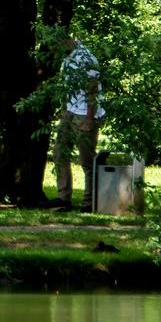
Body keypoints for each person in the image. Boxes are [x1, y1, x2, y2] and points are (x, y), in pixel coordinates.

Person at [50, 35, 104, 211]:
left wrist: (89, 119)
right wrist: (64, 109)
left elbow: (92, 91)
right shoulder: (68, 58)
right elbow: (67, 87)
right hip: (70, 112)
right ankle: (63, 198)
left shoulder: (87, 58)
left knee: (87, 160)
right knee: (59, 152)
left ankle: (89, 203)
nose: (55, 49)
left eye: (57, 44)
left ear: (66, 39)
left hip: (85, 114)